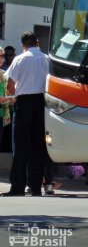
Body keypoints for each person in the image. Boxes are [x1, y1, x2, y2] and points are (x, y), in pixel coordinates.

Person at [0, 32, 48, 196]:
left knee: (20, 146)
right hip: (42, 103)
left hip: (24, 103)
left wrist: (12, 96)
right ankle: (35, 187)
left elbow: (10, 85)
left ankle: (17, 187)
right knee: (38, 146)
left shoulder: (20, 59)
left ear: (23, 45)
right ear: (37, 43)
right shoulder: (46, 59)